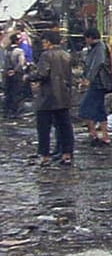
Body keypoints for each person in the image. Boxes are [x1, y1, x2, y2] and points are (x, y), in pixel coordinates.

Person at [27, 30, 74, 165]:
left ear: (48, 42)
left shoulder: (46, 56)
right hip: (63, 96)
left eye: (44, 42)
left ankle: (45, 156)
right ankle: (67, 154)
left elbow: (42, 74)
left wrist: (29, 77)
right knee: (65, 127)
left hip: (47, 97)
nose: (43, 44)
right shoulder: (66, 55)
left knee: (43, 128)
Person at [79, 28, 112, 146]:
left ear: (89, 38)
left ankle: (94, 133)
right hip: (97, 83)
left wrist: (89, 78)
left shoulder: (99, 48)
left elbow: (97, 63)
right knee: (99, 109)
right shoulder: (94, 48)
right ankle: (103, 135)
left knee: (86, 108)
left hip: (99, 83)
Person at [3, 35, 27, 119]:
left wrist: (8, 71)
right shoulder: (19, 51)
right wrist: (15, 71)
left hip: (7, 74)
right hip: (17, 74)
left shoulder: (6, 50)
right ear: (16, 41)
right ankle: (17, 112)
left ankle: (6, 111)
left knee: (8, 92)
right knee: (17, 92)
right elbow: (21, 63)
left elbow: (4, 62)